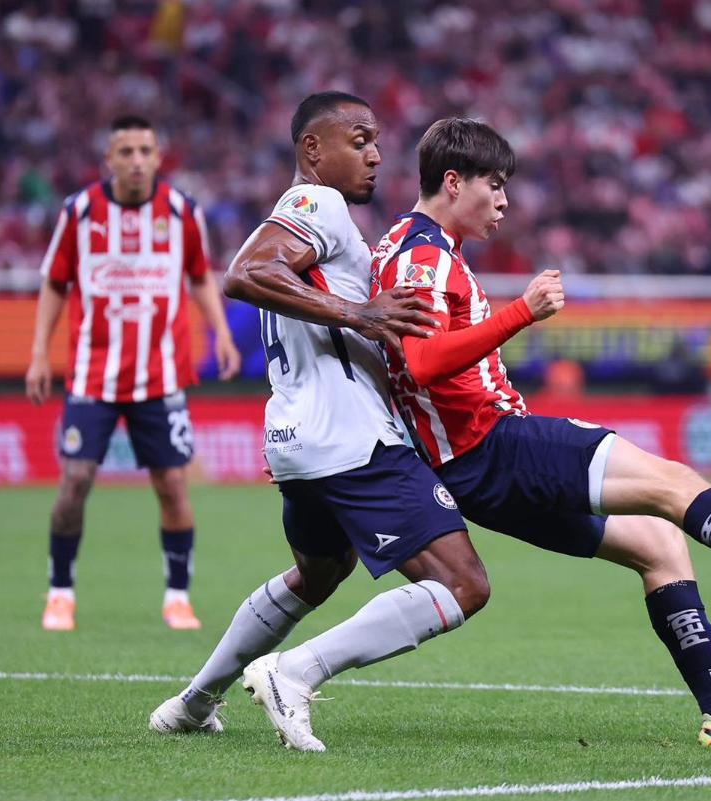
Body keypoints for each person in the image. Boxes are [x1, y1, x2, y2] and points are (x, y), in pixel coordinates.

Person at [236, 118, 711, 752]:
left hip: (472, 465)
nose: (504, 200)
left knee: (658, 545)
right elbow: (420, 361)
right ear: (453, 182)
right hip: (490, 446)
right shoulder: (422, 254)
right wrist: (521, 313)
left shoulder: (421, 248)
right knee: (674, 485)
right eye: (494, 184)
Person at [149, 92, 496, 750]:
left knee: (319, 572)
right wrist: (359, 313)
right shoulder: (317, 203)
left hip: (298, 440)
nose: (376, 154)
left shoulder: (327, 225)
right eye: (359, 140)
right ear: (313, 149)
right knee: (461, 582)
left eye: (376, 142)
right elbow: (246, 273)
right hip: (350, 439)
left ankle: (193, 702)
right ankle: (295, 673)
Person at [25, 115, 241, 632]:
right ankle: (60, 592)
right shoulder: (79, 213)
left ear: (159, 157)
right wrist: (38, 353)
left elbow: (199, 277)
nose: (137, 161)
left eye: (146, 150)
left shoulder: (181, 211)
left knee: (172, 485)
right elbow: (55, 283)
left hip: (161, 377)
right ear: (110, 160)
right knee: (75, 481)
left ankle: (177, 597)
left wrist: (220, 332)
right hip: (92, 376)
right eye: (127, 152)